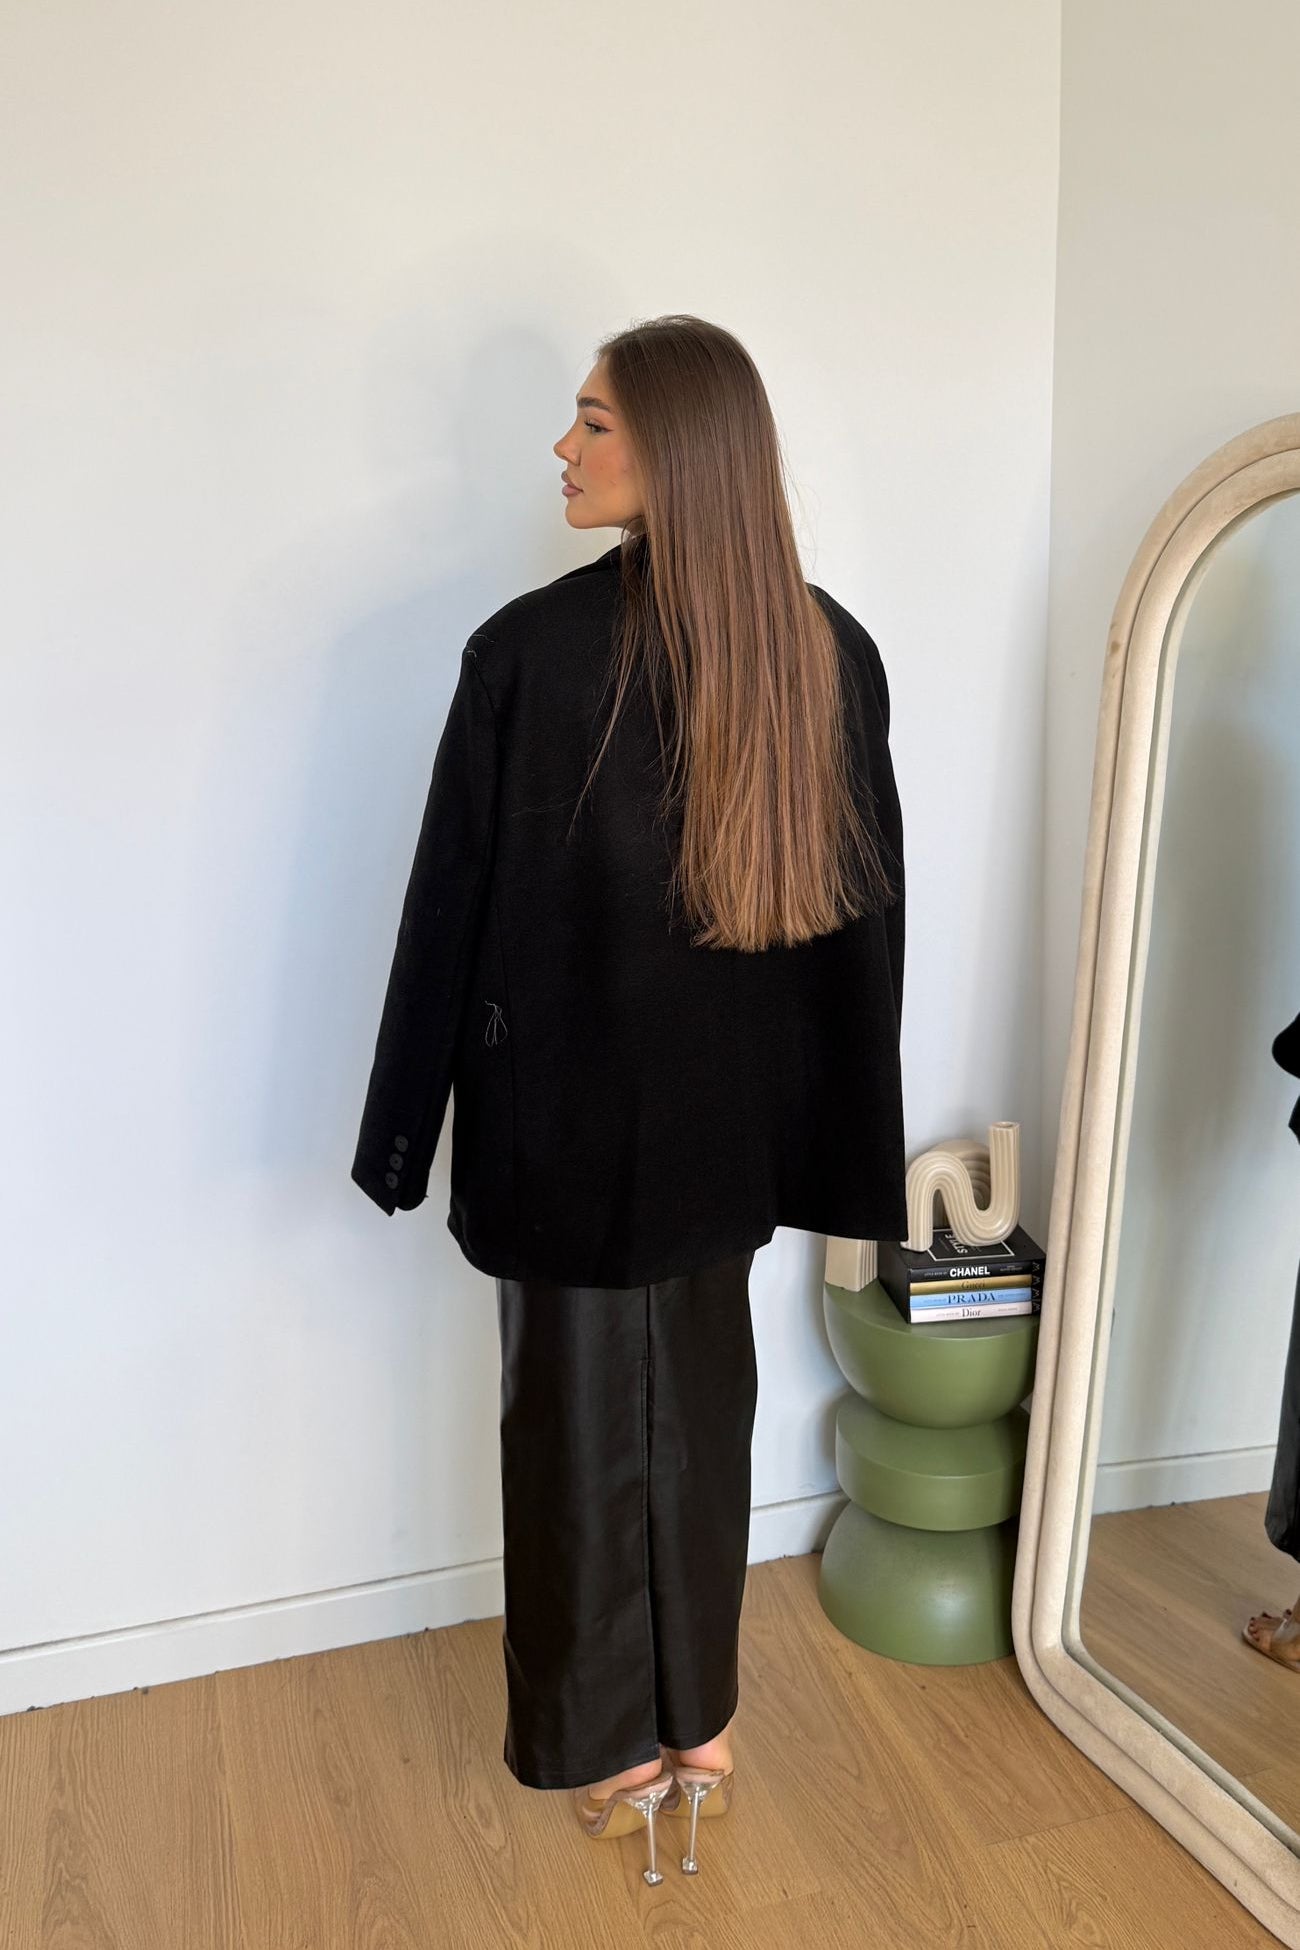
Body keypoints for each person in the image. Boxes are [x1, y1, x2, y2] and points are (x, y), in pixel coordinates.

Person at [350, 314, 908, 1880]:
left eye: (593, 420)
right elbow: (868, 936)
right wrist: (833, 1142)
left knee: (585, 1433)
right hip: (711, 1135)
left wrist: (404, 1135)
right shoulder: (810, 645)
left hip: (579, 1126)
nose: (564, 447)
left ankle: (620, 1735)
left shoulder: (546, 652)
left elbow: (449, 911)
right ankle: (693, 1728)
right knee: (687, 1417)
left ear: (677, 447)